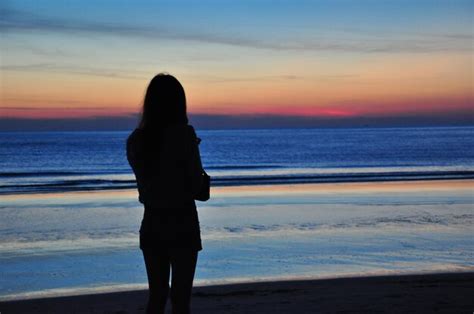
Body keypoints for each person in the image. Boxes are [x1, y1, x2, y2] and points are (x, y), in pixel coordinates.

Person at [126, 73, 205, 314]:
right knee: (181, 301)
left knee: (157, 297)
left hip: (152, 223)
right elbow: (198, 189)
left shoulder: (136, 141)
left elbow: (145, 188)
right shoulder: (184, 135)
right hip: (182, 222)